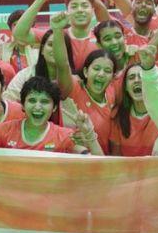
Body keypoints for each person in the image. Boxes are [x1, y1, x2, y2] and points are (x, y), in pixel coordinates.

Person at [0, 75, 100, 154]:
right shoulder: (3, 131)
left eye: (45, 101)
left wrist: (89, 134)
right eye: (32, 100)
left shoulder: (64, 137)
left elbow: (99, 166)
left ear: (54, 108)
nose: (38, 106)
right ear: (23, 105)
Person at [49, 12, 118, 152]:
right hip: (74, 162)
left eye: (107, 71)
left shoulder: (113, 93)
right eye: (96, 68)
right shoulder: (74, 88)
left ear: (112, 77)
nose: (101, 74)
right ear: (86, 72)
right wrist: (57, 30)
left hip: (102, 162)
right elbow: (62, 65)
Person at [13, 0, 100, 70]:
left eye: (84, 6)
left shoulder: (101, 39)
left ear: (92, 11)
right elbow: (20, 34)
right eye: (74, 7)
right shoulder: (56, 35)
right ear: (67, 11)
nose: (80, 10)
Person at [4, 27, 73, 103]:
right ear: (42, 50)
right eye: (51, 45)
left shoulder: (75, 81)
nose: (55, 49)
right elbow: (9, 104)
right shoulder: (24, 76)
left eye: (59, 46)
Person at [109, 63, 158, 155]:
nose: (137, 80)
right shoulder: (118, 114)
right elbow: (116, 157)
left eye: (141, 76)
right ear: (125, 87)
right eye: (131, 77)